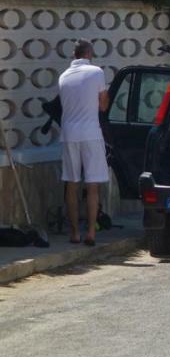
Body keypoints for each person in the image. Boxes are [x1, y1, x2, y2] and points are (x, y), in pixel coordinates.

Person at [58, 40, 109, 246]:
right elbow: (103, 106)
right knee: (93, 184)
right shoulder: (97, 72)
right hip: (90, 133)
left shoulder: (63, 76)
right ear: (88, 54)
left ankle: (74, 233)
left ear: (75, 56)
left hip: (69, 134)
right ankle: (90, 232)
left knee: (71, 183)